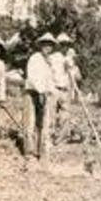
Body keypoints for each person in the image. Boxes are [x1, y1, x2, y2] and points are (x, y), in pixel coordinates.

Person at [24, 33, 56, 161]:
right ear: (41, 45)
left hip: (44, 95)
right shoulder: (34, 58)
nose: (47, 47)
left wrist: (49, 92)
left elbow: (50, 80)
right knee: (30, 123)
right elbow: (32, 78)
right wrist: (41, 91)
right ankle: (29, 152)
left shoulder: (49, 61)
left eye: (50, 45)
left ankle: (41, 151)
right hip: (32, 93)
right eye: (45, 44)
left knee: (42, 123)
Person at [49, 33, 73, 141]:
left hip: (65, 89)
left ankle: (62, 137)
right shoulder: (52, 58)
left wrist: (69, 62)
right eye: (62, 44)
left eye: (67, 44)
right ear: (58, 45)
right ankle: (49, 136)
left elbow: (73, 75)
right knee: (51, 114)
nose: (65, 47)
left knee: (65, 115)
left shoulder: (69, 58)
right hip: (54, 88)